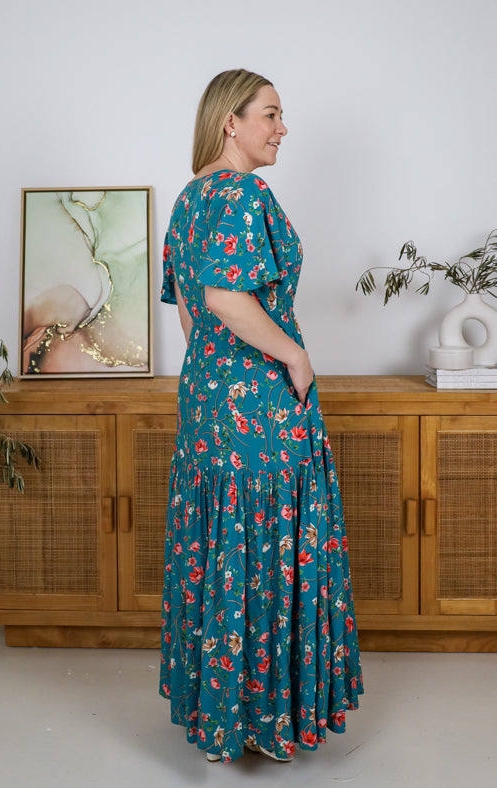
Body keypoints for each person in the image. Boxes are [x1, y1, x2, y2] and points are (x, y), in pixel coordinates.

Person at [159, 68, 363, 764]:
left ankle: (221, 714)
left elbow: (189, 313)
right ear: (230, 123)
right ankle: (267, 719)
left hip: (206, 397)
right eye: (270, 115)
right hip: (262, 407)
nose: (282, 129)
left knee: (222, 546)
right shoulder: (245, 192)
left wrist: (215, 377)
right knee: (270, 544)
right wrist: (294, 359)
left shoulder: (189, 199)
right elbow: (224, 297)